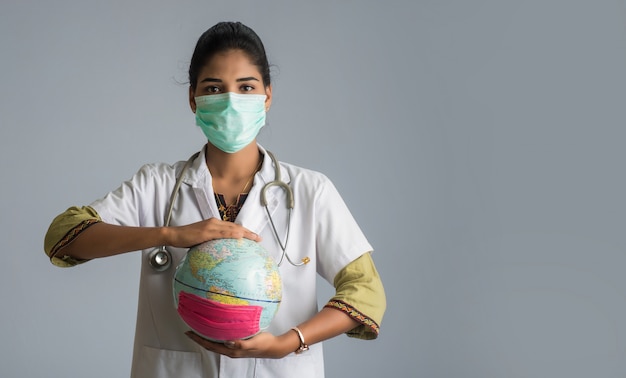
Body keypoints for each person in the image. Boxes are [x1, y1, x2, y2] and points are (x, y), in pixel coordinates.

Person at [44, 21, 386, 378]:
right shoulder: (157, 184)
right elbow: (62, 236)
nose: (230, 101)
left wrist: (289, 341)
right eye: (214, 88)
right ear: (193, 98)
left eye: (246, 87)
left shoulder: (310, 191)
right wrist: (170, 235)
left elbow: (366, 294)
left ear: (267, 96)